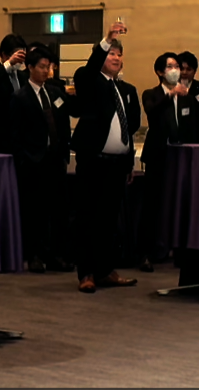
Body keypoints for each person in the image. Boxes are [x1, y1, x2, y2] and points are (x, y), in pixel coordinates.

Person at [69, 20, 140, 294]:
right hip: (93, 161)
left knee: (109, 220)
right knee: (88, 217)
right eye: (111, 53)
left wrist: (129, 162)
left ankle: (105, 270)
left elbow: (128, 128)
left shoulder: (124, 89)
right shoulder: (89, 80)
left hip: (116, 164)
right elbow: (89, 70)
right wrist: (106, 39)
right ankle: (86, 273)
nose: (116, 58)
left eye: (119, 54)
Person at [139, 51, 199, 276]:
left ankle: (182, 251)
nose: (176, 71)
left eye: (177, 67)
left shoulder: (187, 97)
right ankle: (146, 252)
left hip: (181, 157)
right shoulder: (151, 94)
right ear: (160, 72)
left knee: (182, 204)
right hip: (158, 156)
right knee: (152, 206)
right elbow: (152, 113)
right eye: (170, 66)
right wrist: (171, 94)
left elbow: (192, 126)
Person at [10, 47, 73, 273]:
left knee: (58, 209)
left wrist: (64, 151)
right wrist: (23, 158)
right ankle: (35, 254)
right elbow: (14, 132)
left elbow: (64, 122)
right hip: (33, 160)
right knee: (35, 210)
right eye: (42, 67)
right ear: (30, 68)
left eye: (49, 67)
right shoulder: (20, 97)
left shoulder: (55, 92)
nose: (46, 71)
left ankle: (56, 254)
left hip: (55, 158)